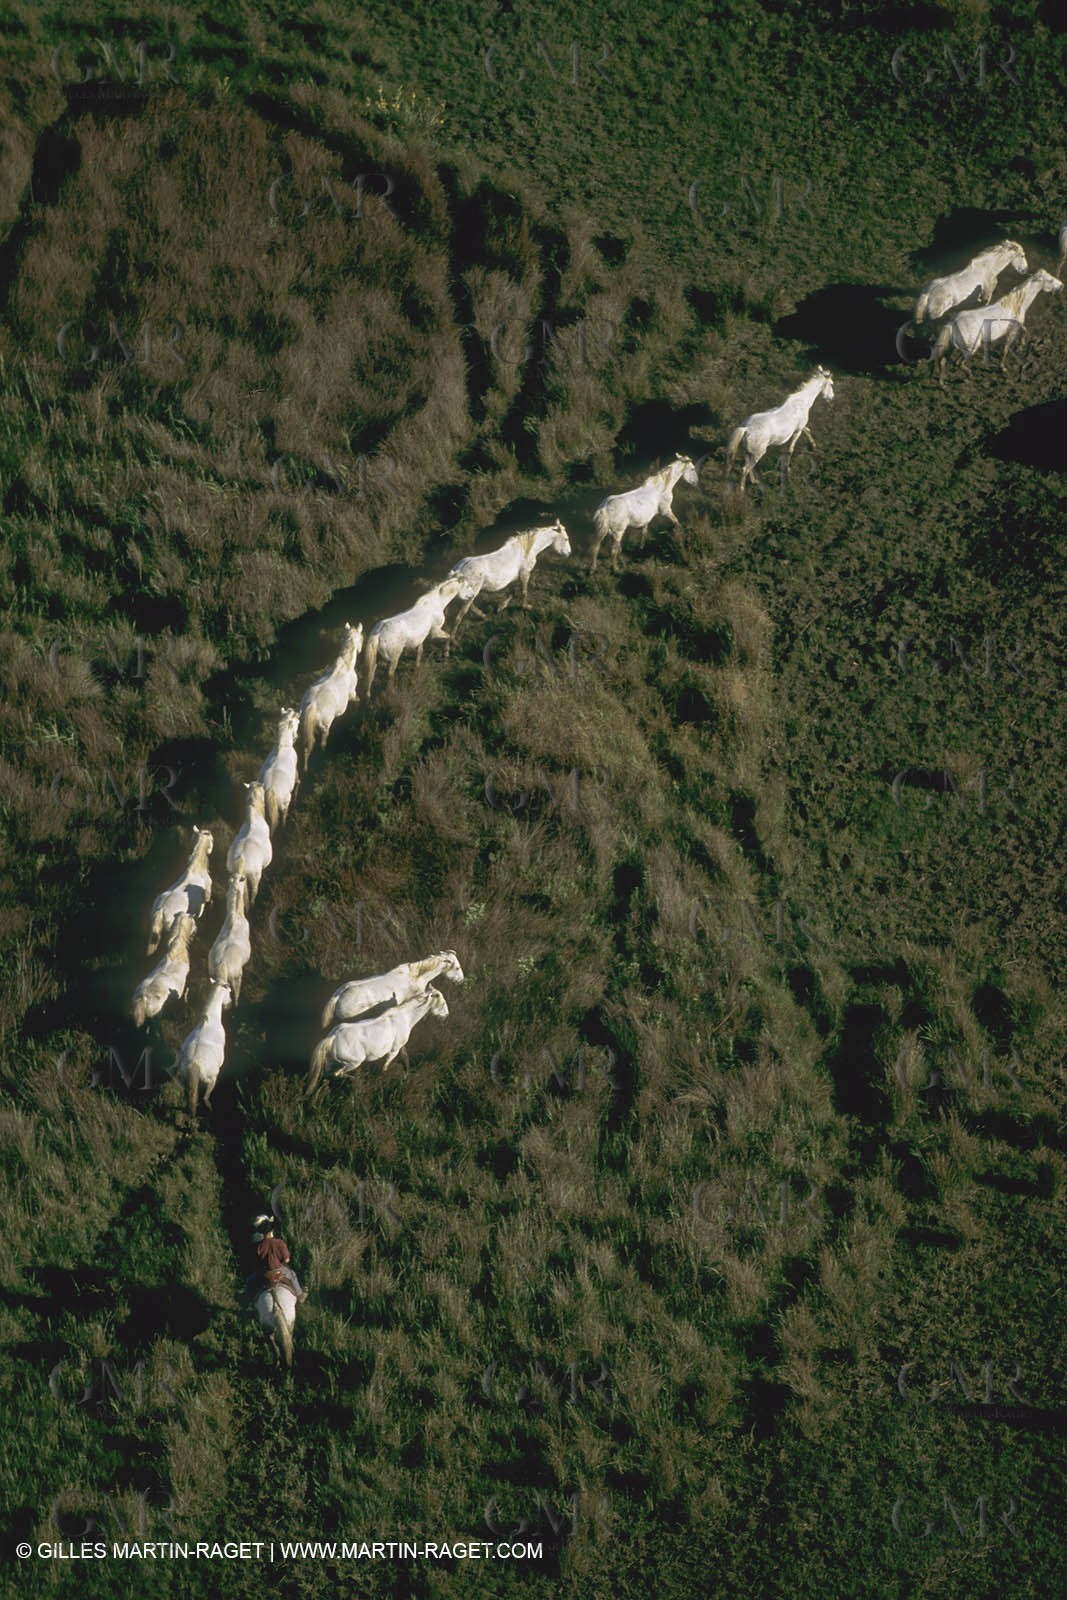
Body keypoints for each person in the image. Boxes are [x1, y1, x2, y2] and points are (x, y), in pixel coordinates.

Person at [244, 1214, 308, 1302]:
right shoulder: (279, 1243)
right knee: (293, 1275)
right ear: (271, 1231)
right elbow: (286, 1260)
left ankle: (246, 1300)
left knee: (250, 1280)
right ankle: (300, 1295)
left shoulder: (259, 1246)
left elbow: (257, 1261)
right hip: (280, 1270)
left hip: (265, 1273)